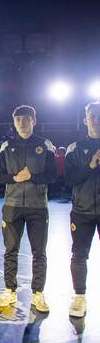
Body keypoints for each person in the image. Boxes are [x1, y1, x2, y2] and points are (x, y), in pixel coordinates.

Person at [0, 105, 56, 312]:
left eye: (26, 119)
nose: (22, 123)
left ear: (33, 121)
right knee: (10, 250)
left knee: (39, 251)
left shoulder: (45, 145)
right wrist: (14, 178)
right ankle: (9, 290)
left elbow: (53, 175)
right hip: (12, 206)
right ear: (14, 122)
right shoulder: (6, 145)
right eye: (18, 119)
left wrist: (32, 177)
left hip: (37, 206)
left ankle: (38, 293)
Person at [65, 101, 100, 317]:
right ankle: (79, 297)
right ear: (85, 120)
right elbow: (69, 180)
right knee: (79, 255)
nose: (96, 120)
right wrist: (90, 166)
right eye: (92, 116)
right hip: (82, 211)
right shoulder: (74, 148)